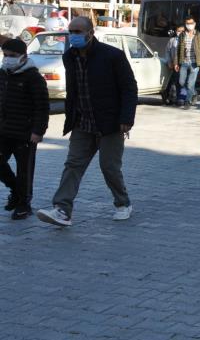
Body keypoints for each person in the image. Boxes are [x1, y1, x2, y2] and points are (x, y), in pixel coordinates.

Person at [37, 17, 137, 227]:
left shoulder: (112, 56)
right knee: (73, 165)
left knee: (109, 167)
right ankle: (62, 209)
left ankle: (123, 203)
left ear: (90, 33)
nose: (73, 35)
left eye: (78, 31)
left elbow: (129, 87)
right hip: (82, 122)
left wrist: (126, 118)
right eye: (71, 31)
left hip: (109, 123)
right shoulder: (69, 57)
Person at [0, 37, 48, 220]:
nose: (7, 58)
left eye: (11, 55)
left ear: (23, 56)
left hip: (25, 133)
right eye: (5, 55)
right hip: (3, 131)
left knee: (25, 170)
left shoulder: (33, 77)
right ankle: (14, 189)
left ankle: (23, 204)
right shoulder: (3, 73)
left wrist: (38, 131)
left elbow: (42, 107)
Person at [176, 16, 200, 110]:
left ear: (194, 24)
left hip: (195, 63)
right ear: (185, 24)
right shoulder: (182, 35)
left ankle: (187, 101)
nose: (189, 25)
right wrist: (176, 63)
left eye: (191, 23)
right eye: (187, 23)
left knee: (190, 84)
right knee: (181, 82)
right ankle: (194, 93)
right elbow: (178, 50)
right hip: (184, 62)